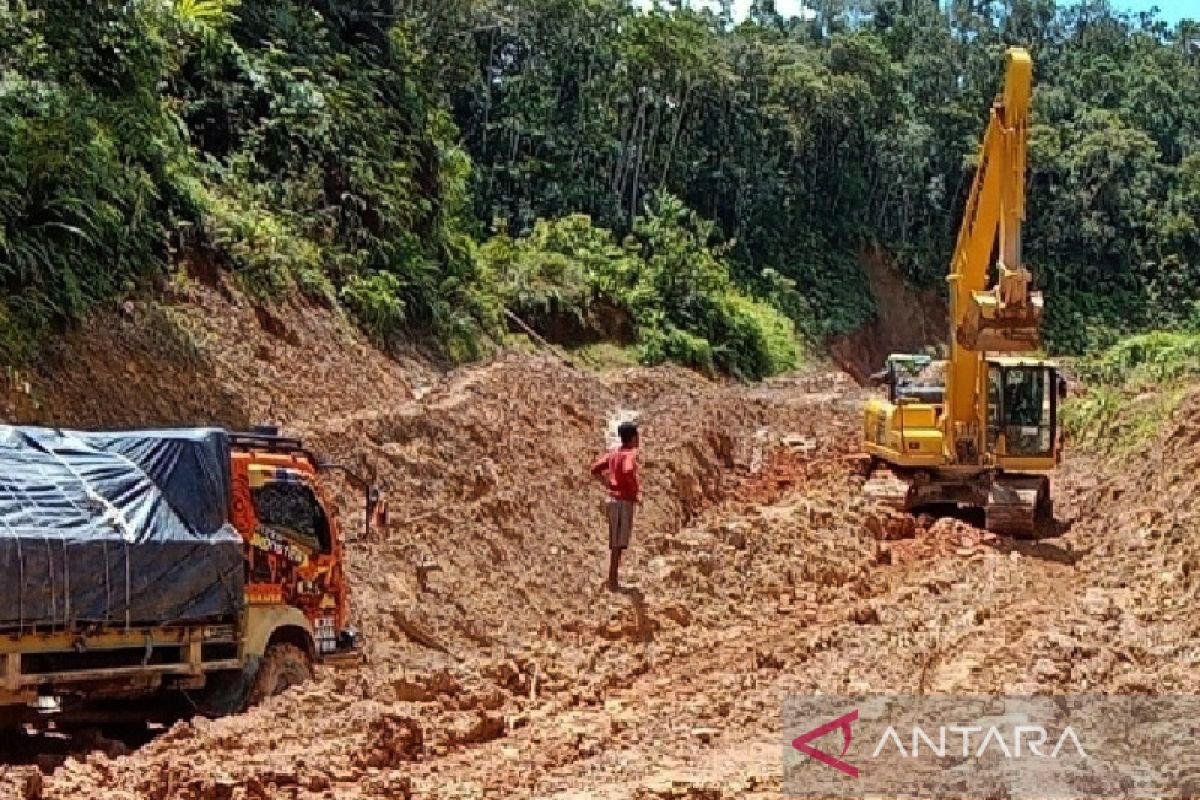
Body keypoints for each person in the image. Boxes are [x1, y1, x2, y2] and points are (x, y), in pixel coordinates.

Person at [590, 420, 640, 591]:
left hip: (612, 500)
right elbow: (627, 471)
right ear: (633, 438)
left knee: (615, 542)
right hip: (623, 501)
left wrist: (607, 484)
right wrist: (634, 490)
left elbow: (595, 468)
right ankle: (613, 581)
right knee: (619, 543)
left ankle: (612, 579)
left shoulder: (613, 454)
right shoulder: (629, 455)